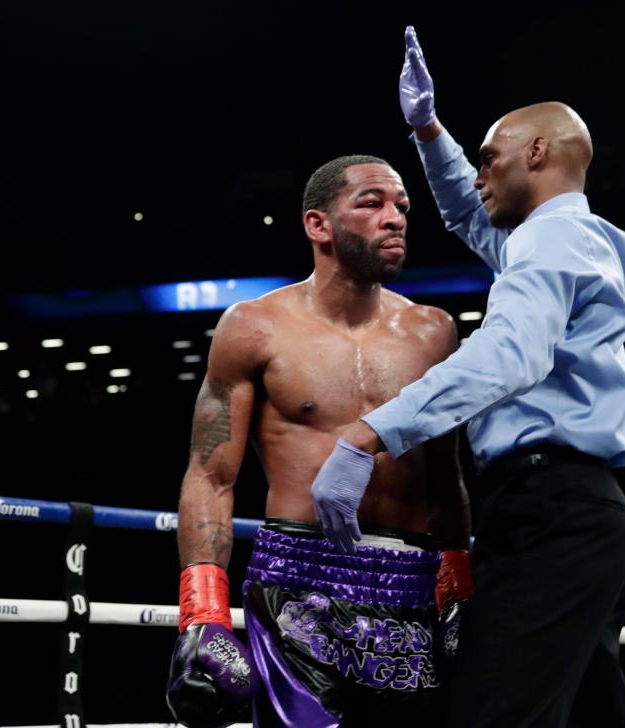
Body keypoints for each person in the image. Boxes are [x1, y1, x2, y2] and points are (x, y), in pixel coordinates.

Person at [308, 27, 625, 728]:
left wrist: (370, 433)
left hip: (552, 509)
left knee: (492, 714)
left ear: (538, 152)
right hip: (576, 510)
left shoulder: (553, 240)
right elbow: (470, 210)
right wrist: (430, 132)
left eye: (491, 159)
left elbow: (509, 355)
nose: (482, 174)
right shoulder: (561, 239)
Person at [165, 154, 474, 728]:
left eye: (402, 207)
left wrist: (457, 588)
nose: (395, 218)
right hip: (297, 579)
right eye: (372, 203)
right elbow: (211, 475)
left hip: (410, 575)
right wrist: (202, 610)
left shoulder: (434, 332)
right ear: (318, 225)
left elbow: (445, 476)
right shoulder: (255, 326)